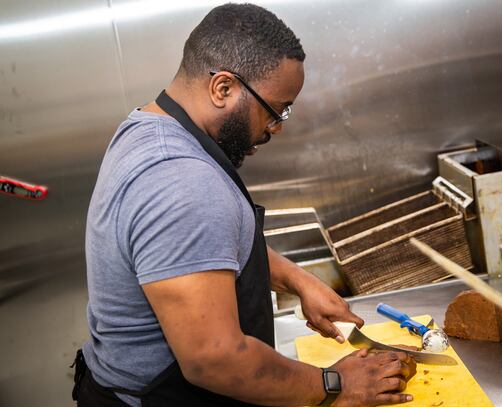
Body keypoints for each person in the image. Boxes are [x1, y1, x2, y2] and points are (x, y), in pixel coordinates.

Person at [73, 3, 416, 406]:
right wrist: (333, 383)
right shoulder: (185, 182)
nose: (278, 126)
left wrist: (297, 280)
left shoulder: (148, 127)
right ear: (223, 88)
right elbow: (214, 359)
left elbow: (202, 248)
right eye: (275, 109)